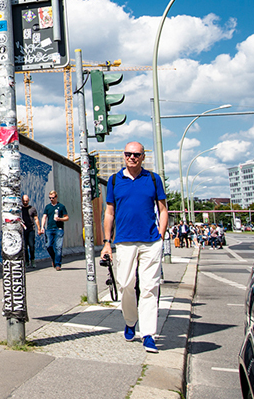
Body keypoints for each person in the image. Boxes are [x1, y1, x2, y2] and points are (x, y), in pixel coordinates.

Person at [101, 141, 168, 354]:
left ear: (143, 157)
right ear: (124, 155)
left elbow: (163, 209)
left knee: (149, 288)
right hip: (124, 241)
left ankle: (148, 334)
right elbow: (109, 213)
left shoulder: (153, 179)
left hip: (150, 242)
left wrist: (162, 234)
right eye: (129, 154)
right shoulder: (114, 181)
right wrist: (106, 243)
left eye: (137, 154)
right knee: (126, 284)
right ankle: (130, 321)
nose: (132, 157)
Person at [39, 189, 69, 270]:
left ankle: (58, 264)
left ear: (56, 197)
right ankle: (54, 258)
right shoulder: (48, 207)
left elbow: (66, 217)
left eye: (53, 198)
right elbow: (44, 217)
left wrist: (60, 219)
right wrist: (42, 227)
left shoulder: (61, 206)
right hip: (49, 229)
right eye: (50, 198)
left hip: (58, 229)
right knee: (48, 245)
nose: (51, 199)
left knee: (58, 247)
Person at [21, 194, 39, 267]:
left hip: (31, 229)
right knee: (24, 247)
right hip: (23, 229)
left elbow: (36, 218)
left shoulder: (32, 209)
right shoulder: (20, 209)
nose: (25, 202)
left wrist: (39, 228)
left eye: (26, 201)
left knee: (31, 245)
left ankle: (32, 260)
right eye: (24, 201)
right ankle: (27, 261)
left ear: (28, 200)